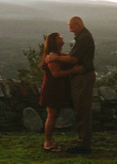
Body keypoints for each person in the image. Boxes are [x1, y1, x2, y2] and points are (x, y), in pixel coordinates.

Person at [38, 32, 83, 152]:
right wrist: (74, 70)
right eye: (58, 37)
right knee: (52, 115)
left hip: (58, 88)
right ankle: (48, 143)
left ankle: (49, 141)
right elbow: (56, 74)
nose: (61, 37)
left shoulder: (57, 55)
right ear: (54, 42)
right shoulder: (52, 55)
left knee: (54, 114)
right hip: (52, 88)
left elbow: (69, 59)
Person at [66, 16, 95, 154]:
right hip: (82, 76)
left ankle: (83, 143)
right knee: (81, 108)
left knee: (82, 108)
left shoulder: (83, 38)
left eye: (72, 27)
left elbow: (73, 59)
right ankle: (83, 140)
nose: (71, 30)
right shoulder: (84, 37)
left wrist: (55, 58)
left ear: (79, 25)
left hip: (83, 76)